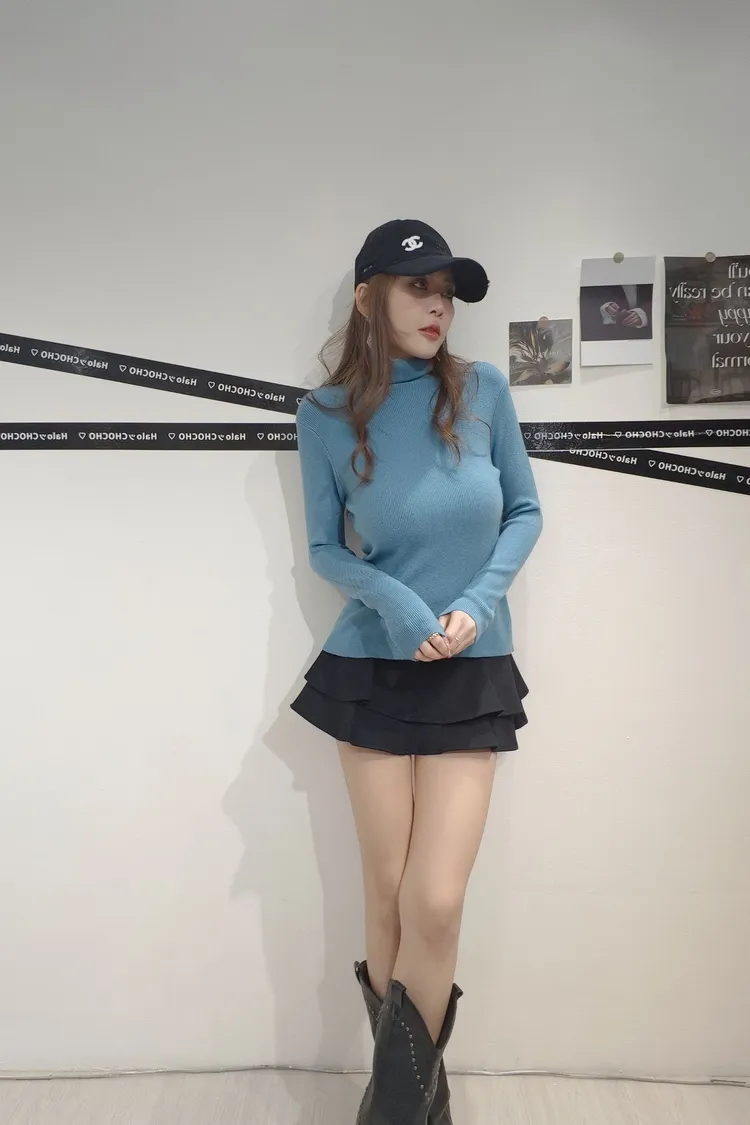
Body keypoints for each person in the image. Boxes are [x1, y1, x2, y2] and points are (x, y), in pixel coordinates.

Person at [290, 219, 543, 1124]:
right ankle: (413, 1108)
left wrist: (476, 601)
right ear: (370, 297)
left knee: (435, 898)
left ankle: (396, 1107)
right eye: (417, 287)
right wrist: (398, 604)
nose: (438, 306)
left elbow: (524, 511)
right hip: (371, 667)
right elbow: (327, 548)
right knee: (389, 894)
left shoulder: (484, 391)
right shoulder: (323, 415)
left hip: (471, 666)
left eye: (447, 292)